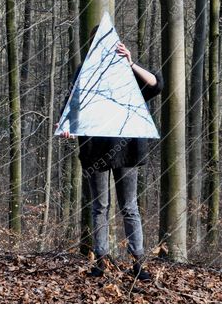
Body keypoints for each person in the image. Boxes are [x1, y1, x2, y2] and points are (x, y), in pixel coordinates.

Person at [57, 25, 163, 282]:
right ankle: (101, 261)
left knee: (129, 207)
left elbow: (156, 85)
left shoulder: (125, 72)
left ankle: (138, 263)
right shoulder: (84, 72)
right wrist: (67, 127)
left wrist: (130, 63)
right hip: (95, 150)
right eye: (97, 44)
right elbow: (71, 106)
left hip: (127, 149)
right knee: (99, 207)